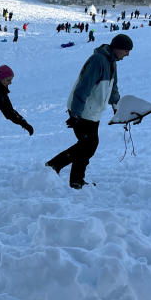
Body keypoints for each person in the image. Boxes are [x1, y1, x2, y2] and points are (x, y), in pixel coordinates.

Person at [46, 34, 133, 189]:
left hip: (93, 112)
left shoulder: (112, 63)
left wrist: (117, 109)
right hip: (83, 110)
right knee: (89, 145)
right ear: (118, 48)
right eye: (126, 51)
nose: (128, 55)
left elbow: (113, 88)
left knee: (88, 146)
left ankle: (73, 179)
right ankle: (56, 167)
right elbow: (83, 88)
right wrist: (76, 114)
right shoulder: (98, 61)